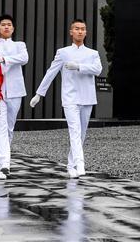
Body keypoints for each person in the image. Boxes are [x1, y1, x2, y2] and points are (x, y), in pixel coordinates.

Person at [30, 18, 102, 178]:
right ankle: (80, 163)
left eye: (83, 29)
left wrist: (79, 67)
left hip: (87, 97)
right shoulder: (63, 53)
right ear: (71, 32)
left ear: (86, 32)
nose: (80, 31)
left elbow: (98, 70)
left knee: (81, 133)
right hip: (70, 97)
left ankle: (71, 165)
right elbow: (51, 73)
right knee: (74, 130)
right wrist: (39, 94)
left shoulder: (93, 53)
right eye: (77, 28)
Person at [0, 13, 29, 180]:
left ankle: (0, 164)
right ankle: (5, 165)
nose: (6, 27)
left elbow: (24, 59)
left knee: (9, 129)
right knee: (1, 127)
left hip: (15, 91)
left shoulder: (19, 45)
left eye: (9, 24)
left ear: (13, 28)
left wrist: (3, 59)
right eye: (3, 24)